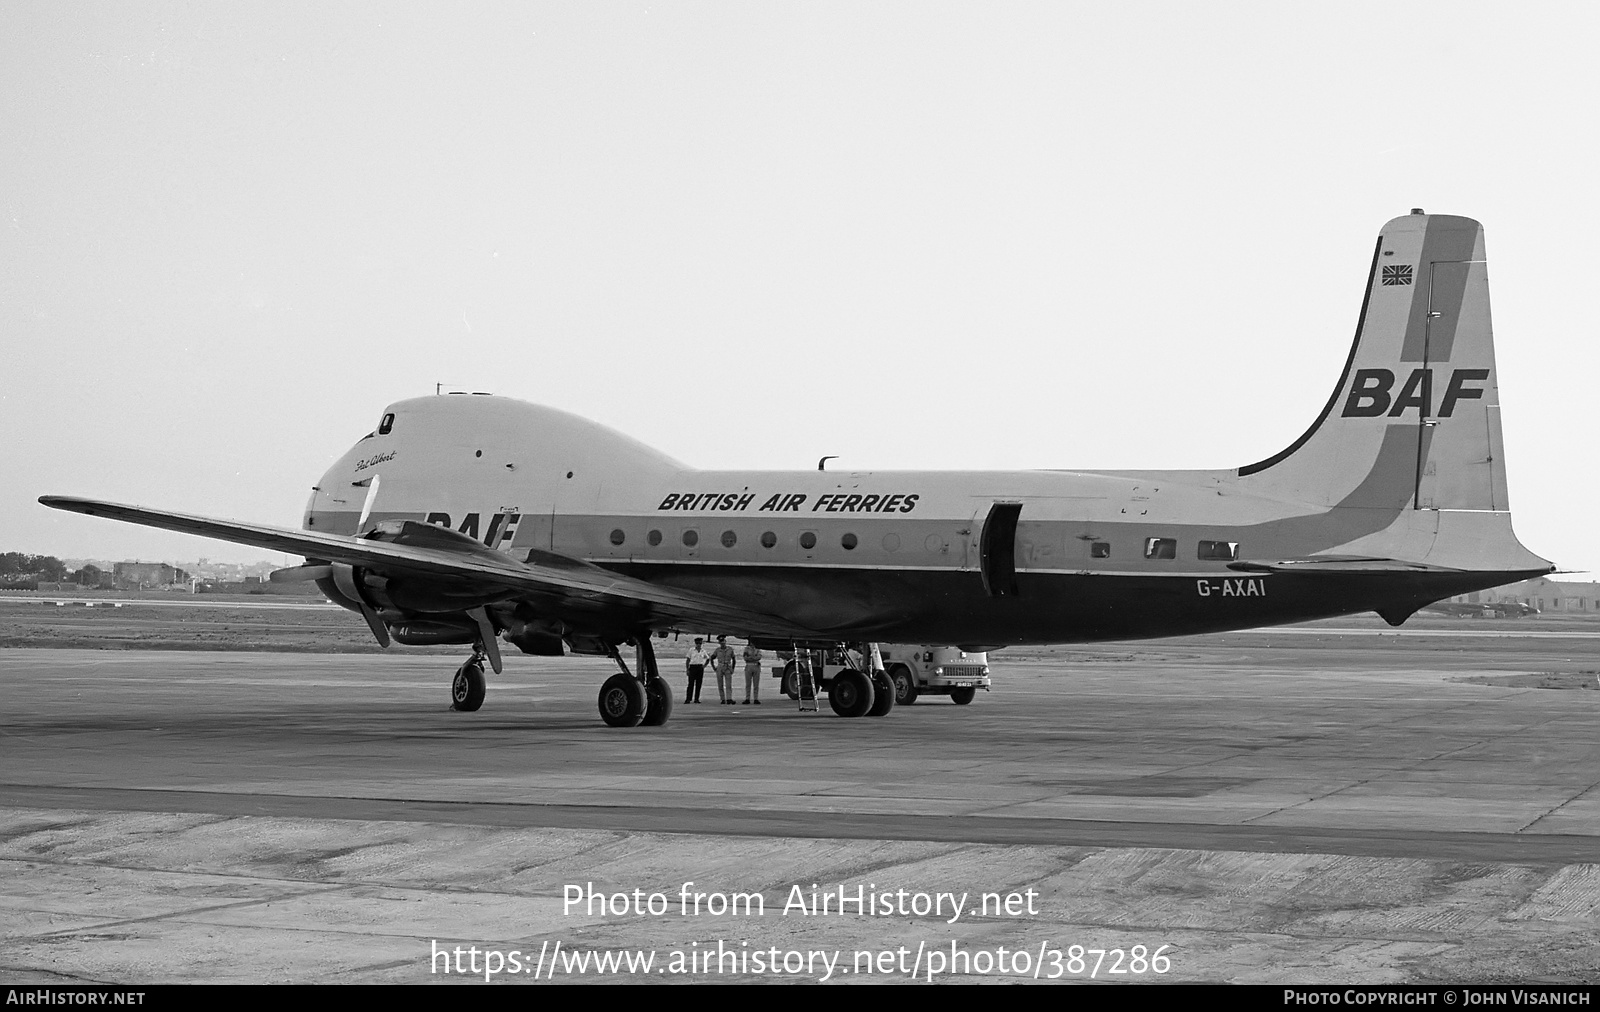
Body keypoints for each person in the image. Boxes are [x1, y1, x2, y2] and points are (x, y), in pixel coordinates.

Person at [711, 635, 738, 704]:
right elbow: (711, 658)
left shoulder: (730, 649)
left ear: (725, 641)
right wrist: (714, 667)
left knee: (728, 684)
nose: (722, 643)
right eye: (721, 642)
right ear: (719, 643)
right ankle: (722, 699)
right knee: (720, 684)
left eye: (723, 641)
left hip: (728, 666)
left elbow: (734, 659)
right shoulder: (717, 650)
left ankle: (729, 698)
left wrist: (733, 668)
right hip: (720, 666)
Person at [684, 637, 710, 704]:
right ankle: (688, 699)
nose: (699, 645)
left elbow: (708, 659)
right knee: (690, 684)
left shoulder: (703, 651)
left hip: (699, 667)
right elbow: (688, 660)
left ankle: (696, 699)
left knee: (698, 684)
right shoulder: (691, 650)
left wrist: (704, 666)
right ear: (695, 643)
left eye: (700, 643)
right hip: (692, 667)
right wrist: (687, 669)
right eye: (697, 643)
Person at [742, 640, 763, 704]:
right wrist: (754, 657)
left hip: (756, 666)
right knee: (748, 684)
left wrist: (751, 657)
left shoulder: (758, 649)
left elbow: (759, 657)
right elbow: (745, 658)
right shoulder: (746, 649)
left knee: (756, 684)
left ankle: (756, 698)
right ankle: (747, 698)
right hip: (749, 665)